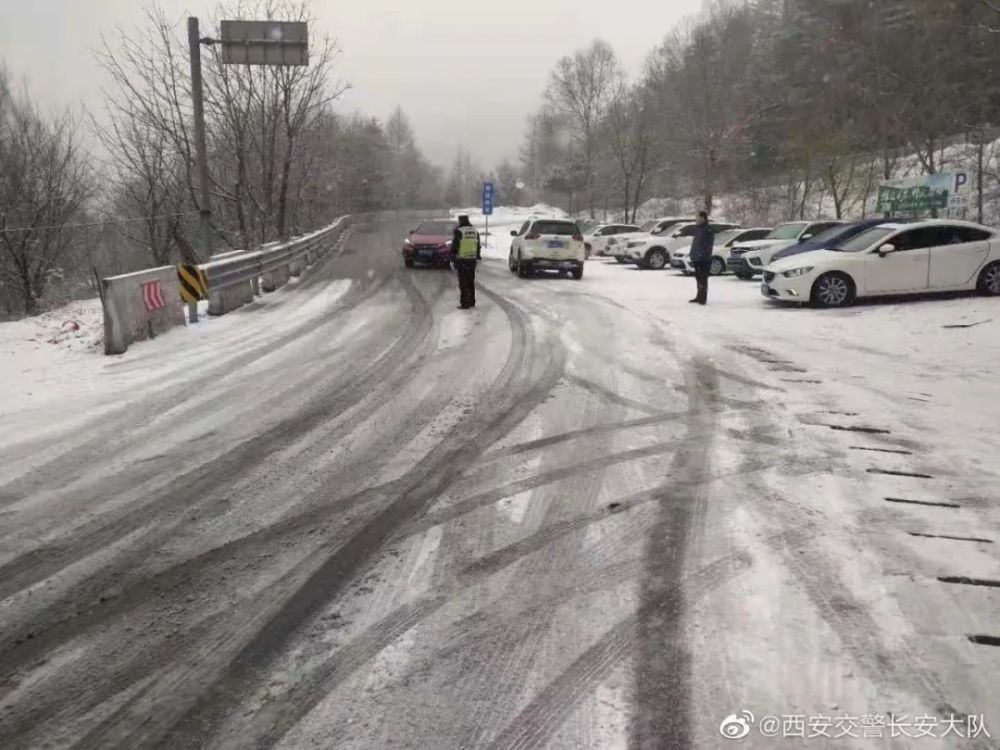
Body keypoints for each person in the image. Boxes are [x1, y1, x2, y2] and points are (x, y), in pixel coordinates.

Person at [452, 215, 481, 309]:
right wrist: (477, 256)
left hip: (462, 259)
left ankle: (465, 303)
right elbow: (478, 245)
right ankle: (472, 301)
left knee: (463, 282)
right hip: (472, 259)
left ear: (460, 221)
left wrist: (453, 257)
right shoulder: (474, 231)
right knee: (470, 281)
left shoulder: (459, 231)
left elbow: (455, 246)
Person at [689, 210, 714, 305]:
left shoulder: (708, 229)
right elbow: (695, 243)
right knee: (698, 277)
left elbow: (708, 244)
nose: (696, 219)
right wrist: (692, 254)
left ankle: (703, 298)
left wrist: (703, 254)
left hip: (704, 258)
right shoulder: (697, 228)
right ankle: (698, 296)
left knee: (703, 278)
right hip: (696, 257)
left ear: (703, 218)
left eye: (698, 217)